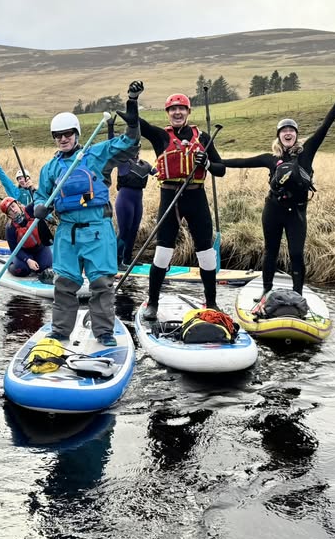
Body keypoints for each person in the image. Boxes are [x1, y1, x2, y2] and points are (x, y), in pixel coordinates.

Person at [218, 84, 335, 298]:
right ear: (279, 137)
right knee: (270, 252)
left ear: (296, 135)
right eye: (284, 131)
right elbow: (241, 161)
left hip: (297, 213)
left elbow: (325, 126)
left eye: (291, 130)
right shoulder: (270, 159)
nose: (288, 133)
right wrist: (211, 162)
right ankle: (266, 291)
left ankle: (297, 295)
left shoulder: (306, 152)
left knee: (296, 254)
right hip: (273, 210)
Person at [33, 81, 143, 347]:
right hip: (67, 234)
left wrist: (132, 113)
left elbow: (129, 145)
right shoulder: (50, 168)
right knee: (64, 286)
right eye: (57, 135)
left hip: (97, 231)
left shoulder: (95, 155)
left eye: (67, 133)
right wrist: (40, 208)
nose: (62, 139)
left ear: (77, 133)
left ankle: (104, 332)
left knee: (102, 285)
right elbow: (41, 196)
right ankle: (60, 331)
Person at [136, 91, 226, 318]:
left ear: (188, 112)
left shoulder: (203, 138)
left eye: (181, 108)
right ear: (168, 113)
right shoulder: (160, 137)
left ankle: (212, 303)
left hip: (196, 198)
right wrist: (132, 100)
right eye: (173, 109)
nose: (177, 112)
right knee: (162, 254)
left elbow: (221, 169)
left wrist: (206, 162)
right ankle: (153, 304)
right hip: (170, 199)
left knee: (206, 254)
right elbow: (136, 122)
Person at [106, 115, 154, 271]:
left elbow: (161, 172)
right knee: (124, 231)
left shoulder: (145, 165)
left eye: (137, 146)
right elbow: (111, 146)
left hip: (137, 201)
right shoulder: (123, 162)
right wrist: (110, 127)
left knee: (133, 230)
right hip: (124, 201)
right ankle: (116, 261)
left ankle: (128, 259)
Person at [0, 196, 54, 283]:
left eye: (13, 206)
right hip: (25, 253)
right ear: (9, 215)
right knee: (22, 270)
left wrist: (32, 188)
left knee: (45, 268)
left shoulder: (30, 210)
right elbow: (14, 250)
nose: (13, 210)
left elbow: (40, 199)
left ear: (18, 204)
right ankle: (11, 264)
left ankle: (37, 263)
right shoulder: (10, 228)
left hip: (40, 248)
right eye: (9, 210)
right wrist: (27, 260)